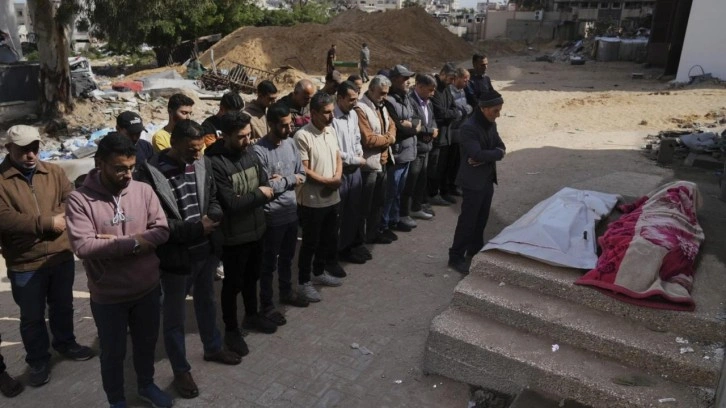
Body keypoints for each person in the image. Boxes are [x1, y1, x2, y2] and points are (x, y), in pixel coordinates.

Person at [137, 120, 242, 400]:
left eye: (199, 149)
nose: (196, 155)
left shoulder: (202, 163)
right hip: (176, 258)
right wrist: (196, 228)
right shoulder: (150, 173)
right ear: (174, 143)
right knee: (174, 318)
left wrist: (214, 216)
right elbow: (156, 222)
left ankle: (213, 347)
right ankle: (181, 370)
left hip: (205, 252)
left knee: (207, 302)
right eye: (191, 150)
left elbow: (213, 197)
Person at [65, 133, 171, 408]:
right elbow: (84, 246)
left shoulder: (143, 191)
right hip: (109, 296)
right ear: (100, 163)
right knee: (113, 353)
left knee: (146, 344)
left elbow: (162, 230)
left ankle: (146, 385)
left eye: (131, 167)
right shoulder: (79, 200)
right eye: (120, 168)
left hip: (147, 288)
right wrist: (138, 242)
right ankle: (116, 400)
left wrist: (119, 243)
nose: (128, 174)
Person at [0, 125, 94, 388]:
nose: (31, 155)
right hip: (25, 261)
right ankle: (38, 360)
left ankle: (65, 343)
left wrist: (52, 221)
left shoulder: (54, 172)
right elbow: (6, 218)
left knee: (63, 305)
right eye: (23, 150)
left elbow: (71, 201)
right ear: (9, 149)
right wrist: (48, 223)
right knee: (32, 316)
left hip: (59, 255)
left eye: (35, 148)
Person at [206, 112, 277, 357]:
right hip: (234, 237)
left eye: (249, 135)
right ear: (224, 136)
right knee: (232, 285)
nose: (247, 140)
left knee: (252, 277)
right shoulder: (215, 162)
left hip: (257, 230)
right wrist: (259, 194)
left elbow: (267, 184)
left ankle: (252, 315)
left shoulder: (250, 153)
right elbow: (231, 204)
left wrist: (255, 194)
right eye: (241, 137)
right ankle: (231, 330)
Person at [251, 103, 311, 322]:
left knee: (287, 258)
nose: (289, 129)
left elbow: (302, 174)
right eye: (284, 125)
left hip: (290, 212)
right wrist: (290, 180)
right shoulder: (259, 150)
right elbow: (265, 186)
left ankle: (286, 292)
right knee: (268, 264)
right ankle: (267, 305)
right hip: (272, 217)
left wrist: (284, 180)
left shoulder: (291, 144)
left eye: (290, 124)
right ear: (271, 124)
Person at [449, 89, 506, 275]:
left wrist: (488, 156)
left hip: (487, 178)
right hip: (473, 182)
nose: (498, 115)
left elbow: (501, 148)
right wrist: (491, 154)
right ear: (484, 108)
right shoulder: (469, 127)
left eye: (499, 110)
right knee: (468, 220)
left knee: (481, 218)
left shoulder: (490, 123)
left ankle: (474, 250)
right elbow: (476, 153)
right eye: (495, 111)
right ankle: (456, 256)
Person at [295, 92, 344, 302]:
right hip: (312, 201)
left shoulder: (330, 130)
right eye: (326, 112)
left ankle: (319, 271)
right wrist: (327, 181)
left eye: (332, 111)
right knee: (310, 243)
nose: (331, 116)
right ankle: (304, 282)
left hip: (332, 197)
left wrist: (338, 177)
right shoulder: (302, 136)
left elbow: (337, 156)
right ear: (313, 113)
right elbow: (304, 169)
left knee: (328, 238)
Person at [353, 75, 396, 246]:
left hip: (383, 162)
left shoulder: (381, 106)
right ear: (370, 90)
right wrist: (389, 139)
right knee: (364, 207)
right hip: (368, 165)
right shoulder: (360, 108)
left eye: (386, 93)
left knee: (378, 203)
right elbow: (368, 140)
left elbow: (392, 126)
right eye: (381, 93)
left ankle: (373, 234)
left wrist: (387, 137)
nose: (384, 97)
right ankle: (359, 241)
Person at [333, 81, 368, 265]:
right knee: (337, 216)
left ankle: (346, 248)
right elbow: (334, 150)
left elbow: (356, 138)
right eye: (351, 99)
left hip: (354, 171)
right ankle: (332, 254)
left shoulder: (353, 114)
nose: (355, 103)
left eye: (356, 99)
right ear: (340, 98)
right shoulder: (331, 117)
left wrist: (359, 152)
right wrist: (355, 159)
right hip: (339, 172)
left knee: (352, 213)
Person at [381, 65, 418, 239]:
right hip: (397, 154)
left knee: (398, 191)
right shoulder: (389, 101)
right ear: (394, 80)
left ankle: (394, 220)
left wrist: (411, 125)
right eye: (404, 78)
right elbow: (398, 129)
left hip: (408, 152)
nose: (408, 82)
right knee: (390, 192)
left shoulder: (407, 98)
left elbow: (416, 118)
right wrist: (413, 128)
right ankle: (383, 224)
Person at [400, 74, 438, 230]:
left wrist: (433, 129)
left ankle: (416, 208)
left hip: (426, 147)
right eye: (430, 90)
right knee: (410, 182)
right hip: (416, 147)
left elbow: (432, 119)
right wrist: (429, 131)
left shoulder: (428, 102)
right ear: (420, 86)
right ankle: (404, 213)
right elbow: (414, 124)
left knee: (421, 180)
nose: (432, 93)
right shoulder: (411, 101)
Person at [428, 63, 462, 207]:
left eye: (453, 79)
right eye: (450, 78)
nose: (452, 82)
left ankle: (443, 191)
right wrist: (452, 114)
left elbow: (455, 109)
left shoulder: (447, 89)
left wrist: (452, 114)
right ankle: (431, 194)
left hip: (447, 135)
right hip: (437, 136)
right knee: (435, 168)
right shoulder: (434, 88)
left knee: (444, 167)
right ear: (442, 74)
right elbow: (440, 113)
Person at [447, 67, 473, 198]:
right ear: (457, 78)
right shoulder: (449, 92)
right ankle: (450, 187)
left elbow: (468, 107)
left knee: (460, 160)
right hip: (453, 131)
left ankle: (457, 185)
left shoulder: (462, 91)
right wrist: (464, 111)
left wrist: (465, 110)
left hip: (462, 130)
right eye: (465, 80)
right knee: (452, 161)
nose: (466, 83)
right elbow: (455, 112)